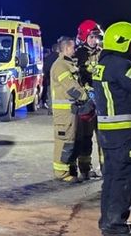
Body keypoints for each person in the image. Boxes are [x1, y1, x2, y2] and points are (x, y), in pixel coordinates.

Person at [90, 21, 131, 236]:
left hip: (109, 130)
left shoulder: (104, 63)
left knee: (112, 176)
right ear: (123, 44)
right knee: (127, 177)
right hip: (122, 132)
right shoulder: (120, 65)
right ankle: (115, 224)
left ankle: (107, 219)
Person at [49, 37, 92, 182]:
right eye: (73, 47)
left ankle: (70, 170)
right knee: (65, 140)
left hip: (72, 110)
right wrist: (86, 96)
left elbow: (77, 83)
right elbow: (71, 86)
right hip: (64, 112)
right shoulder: (60, 65)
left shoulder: (68, 64)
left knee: (74, 140)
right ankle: (61, 173)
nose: (75, 50)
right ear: (67, 48)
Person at [75, 21, 103, 179]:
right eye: (91, 37)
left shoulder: (103, 53)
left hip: (102, 101)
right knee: (85, 137)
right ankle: (85, 169)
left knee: (103, 137)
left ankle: (105, 168)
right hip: (86, 102)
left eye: (96, 37)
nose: (94, 40)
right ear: (84, 37)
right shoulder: (78, 54)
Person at [41, 37, 68, 114]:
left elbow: (45, 68)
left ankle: (50, 110)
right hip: (60, 80)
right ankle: (59, 110)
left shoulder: (48, 57)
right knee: (59, 96)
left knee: (50, 95)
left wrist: (46, 77)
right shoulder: (60, 57)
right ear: (58, 49)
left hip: (50, 80)